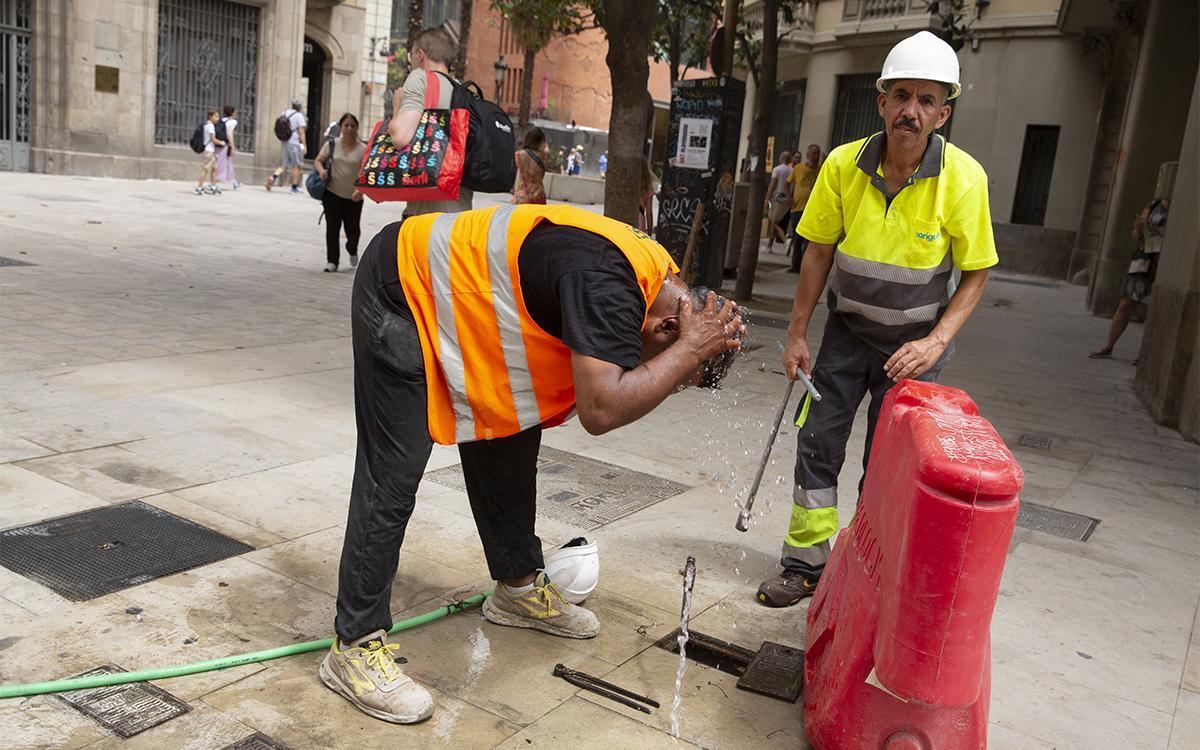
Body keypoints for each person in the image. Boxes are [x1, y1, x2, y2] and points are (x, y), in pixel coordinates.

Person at [320, 204, 744, 724]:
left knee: (510, 439)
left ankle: (517, 588)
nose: (664, 381)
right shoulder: (611, 290)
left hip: (474, 310)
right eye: (674, 373)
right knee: (394, 471)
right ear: (670, 327)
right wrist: (689, 353)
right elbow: (602, 408)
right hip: (404, 288)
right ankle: (355, 645)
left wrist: (688, 352)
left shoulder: (653, 280)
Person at [756, 30, 998, 608]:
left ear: (943, 112)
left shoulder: (965, 179)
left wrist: (937, 341)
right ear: (881, 102)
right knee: (817, 442)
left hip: (914, 350)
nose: (911, 111)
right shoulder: (843, 166)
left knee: (890, 467)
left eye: (926, 100)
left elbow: (976, 273)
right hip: (845, 336)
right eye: (901, 96)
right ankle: (805, 566)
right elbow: (816, 252)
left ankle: (867, 571)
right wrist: (796, 333)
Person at [389, 27, 473, 217]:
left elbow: (401, 137)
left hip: (426, 217)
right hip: (460, 216)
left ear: (420, 55)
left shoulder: (420, 77)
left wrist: (397, 106)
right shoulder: (463, 92)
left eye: (410, 55)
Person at [1089, 196, 1171, 359]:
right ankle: (1108, 346)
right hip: (1144, 258)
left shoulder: (1181, 206)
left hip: (1166, 261)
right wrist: (1138, 228)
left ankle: (1147, 356)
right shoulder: (1153, 204)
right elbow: (1136, 235)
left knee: (1157, 309)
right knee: (1126, 303)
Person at [315, 113, 367, 273]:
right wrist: (322, 171)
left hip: (353, 197)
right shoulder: (332, 144)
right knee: (332, 227)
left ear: (357, 128)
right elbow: (318, 160)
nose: (349, 129)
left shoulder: (363, 149)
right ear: (341, 127)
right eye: (346, 125)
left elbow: (366, 172)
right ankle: (332, 261)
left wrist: (360, 189)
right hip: (332, 193)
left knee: (353, 230)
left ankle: (352, 249)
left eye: (353, 126)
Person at [785, 145, 821, 273]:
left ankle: (805, 267)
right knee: (797, 239)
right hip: (797, 209)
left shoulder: (821, 169)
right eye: (813, 154)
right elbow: (787, 183)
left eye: (817, 154)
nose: (816, 157)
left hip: (813, 210)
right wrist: (788, 197)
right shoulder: (798, 168)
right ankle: (795, 265)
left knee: (809, 241)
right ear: (808, 155)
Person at [267, 99, 307, 194]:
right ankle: (294, 187)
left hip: (285, 141)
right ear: (300, 107)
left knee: (284, 164)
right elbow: (301, 132)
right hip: (294, 142)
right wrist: (304, 145)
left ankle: (273, 177)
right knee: (296, 165)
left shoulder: (284, 113)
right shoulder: (299, 116)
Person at [513, 127, 549, 205]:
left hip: (521, 196)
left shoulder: (519, 154)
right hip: (538, 196)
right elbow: (546, 150)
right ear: (541, 141)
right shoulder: (544, 155)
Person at [765, 151, 793, 252]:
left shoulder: (777, 169)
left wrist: (767, 198)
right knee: (774, 222)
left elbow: (773, 185)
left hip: (777, 197)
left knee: (772, 222)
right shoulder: (791, 170)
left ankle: (785, 239)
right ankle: (769, 246)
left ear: (781, 158)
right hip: (786, 199)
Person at [195, 109, 225, 196]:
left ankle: (213, 187)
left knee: (214, 168)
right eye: (216, 116)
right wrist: (221, 142)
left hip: (210, 150)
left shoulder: (206, 125)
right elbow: (213, 139)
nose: (217, 118)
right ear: (210, 117)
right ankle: (199, 188)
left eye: (218, 116)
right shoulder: (211, 126)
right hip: (209, 150)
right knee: (205, 169)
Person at [214, 105, 241, 190]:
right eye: (235, 111)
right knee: (223, 163)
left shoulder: (222, 120)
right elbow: (230, 134)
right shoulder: (233, 122)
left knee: (223, 163)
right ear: (232, 112)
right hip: (225, 145)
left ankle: (232, 181)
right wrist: (232, 146)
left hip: (219, 144)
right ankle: (216, 182)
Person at [639, 158, 658, 234]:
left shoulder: (628, 181)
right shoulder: (647, 185)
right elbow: (649, 212)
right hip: (640, 221)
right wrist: (649, 232)